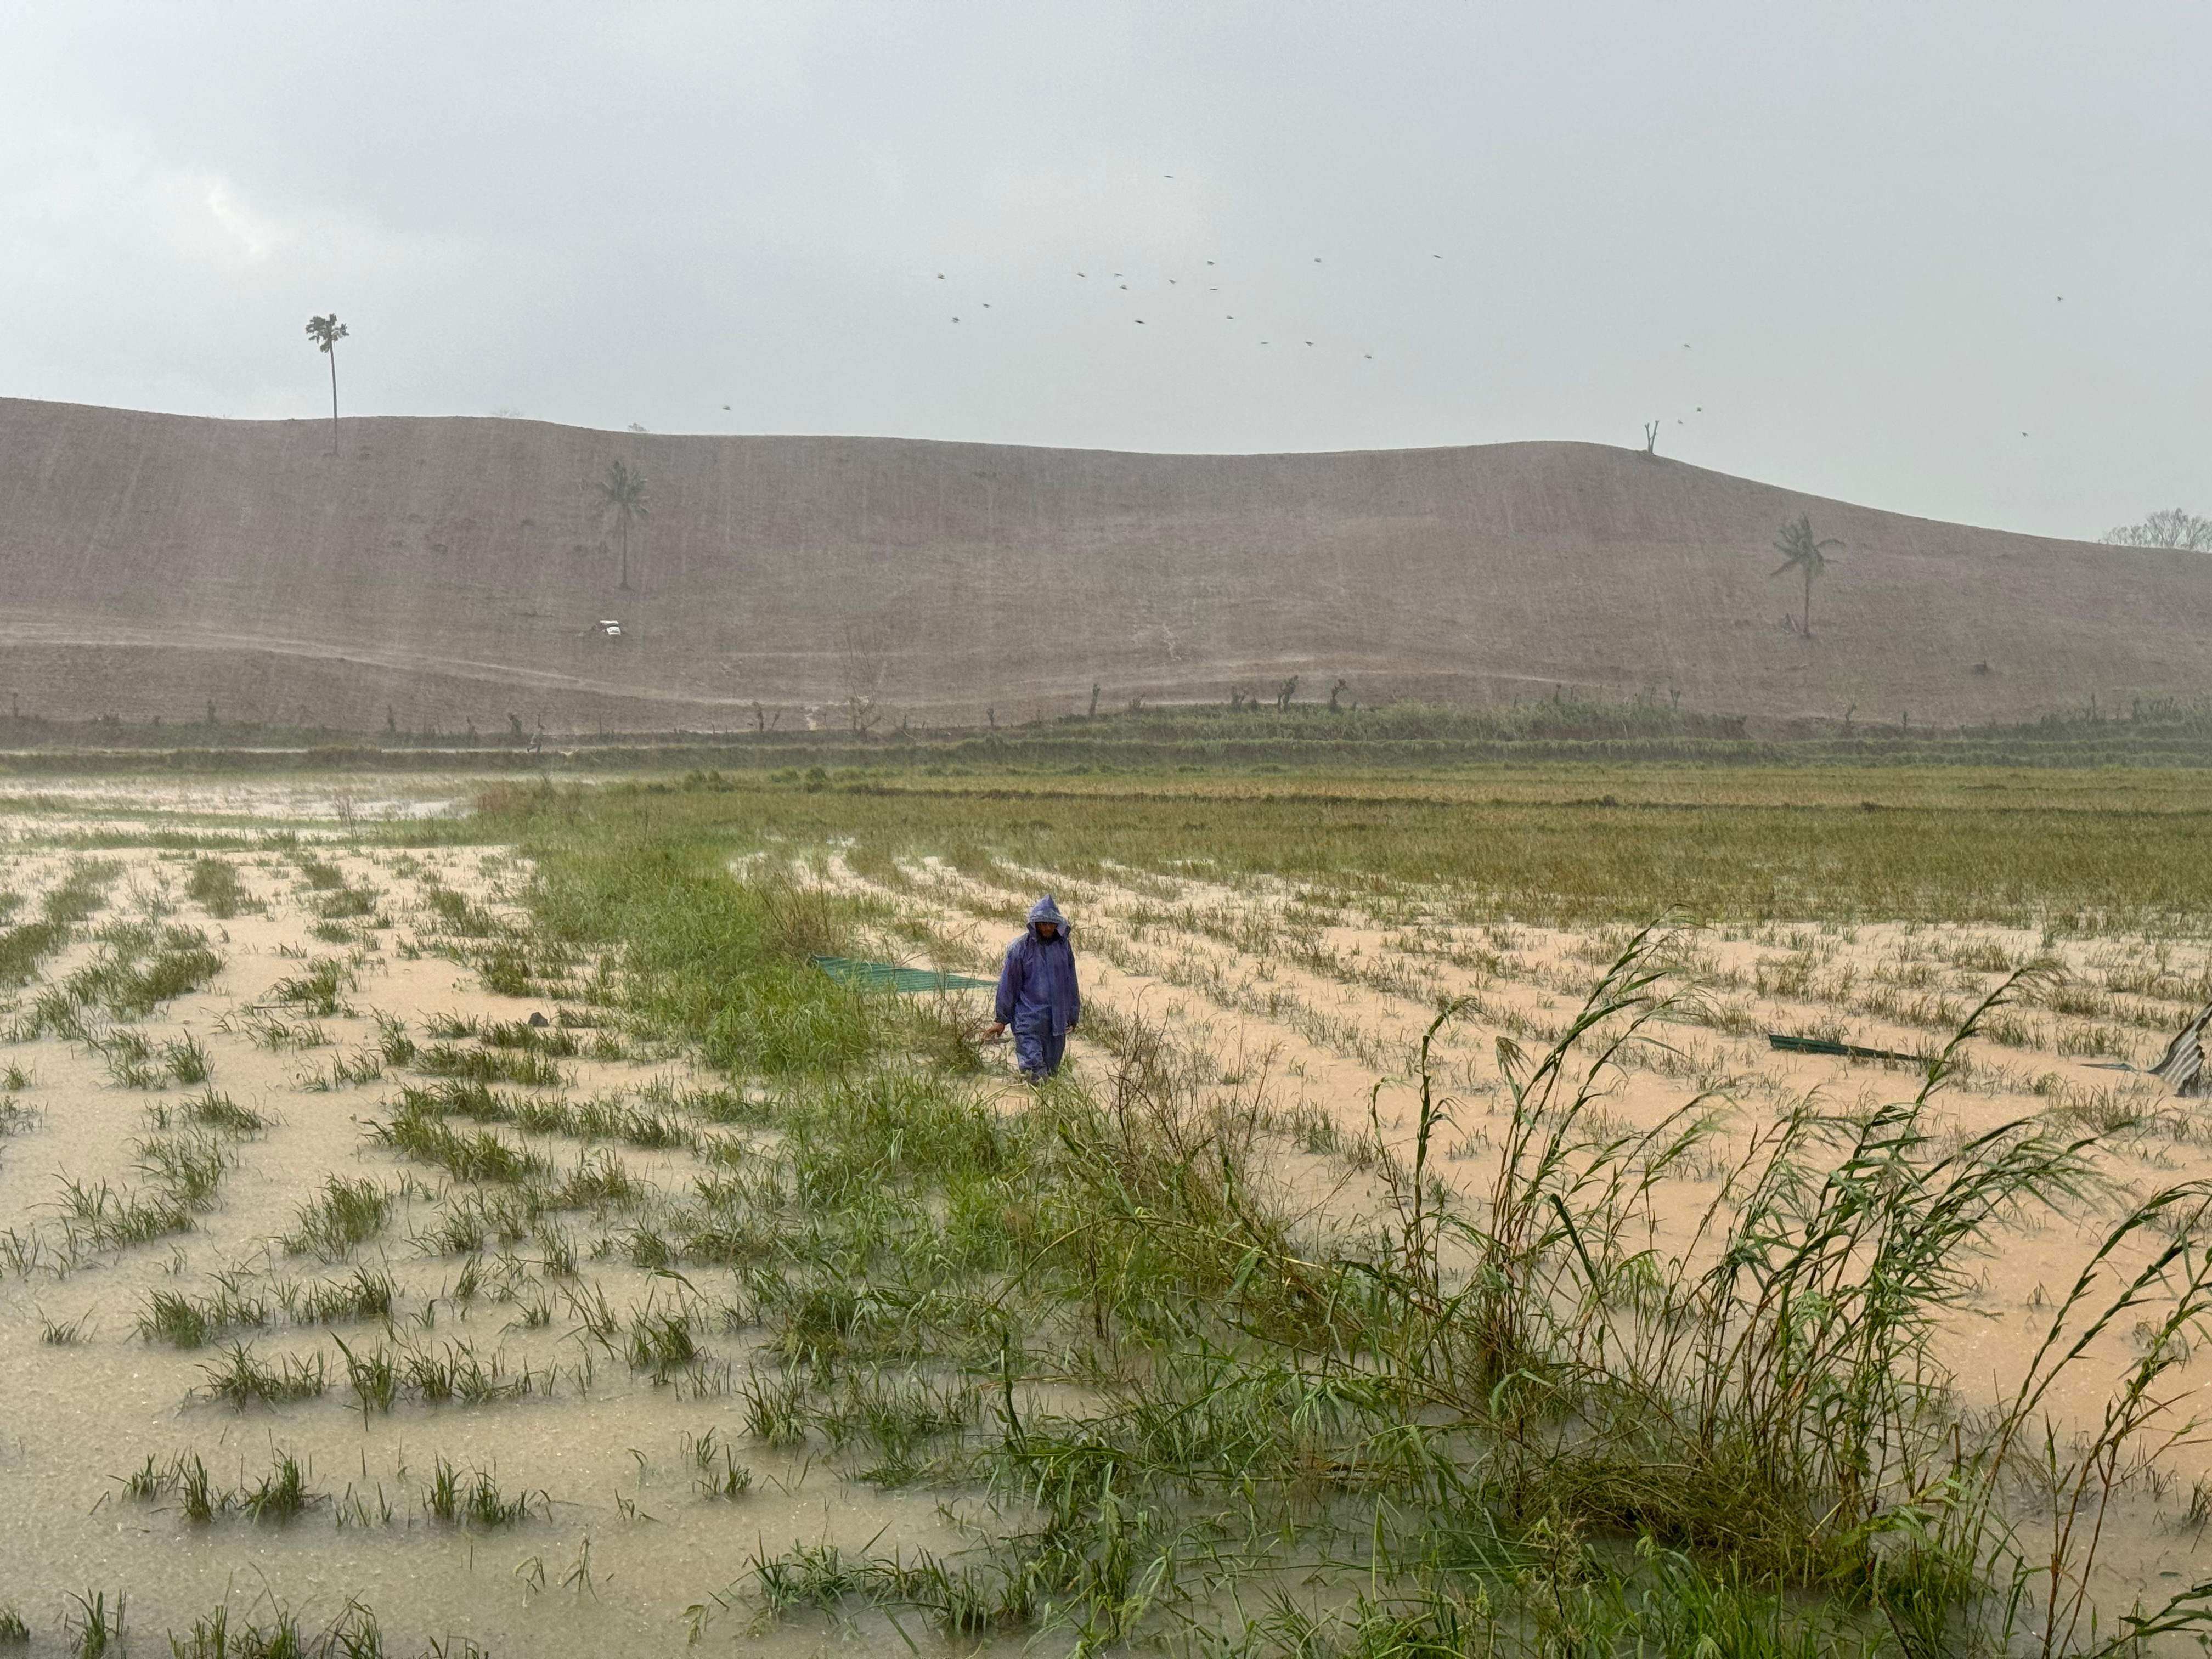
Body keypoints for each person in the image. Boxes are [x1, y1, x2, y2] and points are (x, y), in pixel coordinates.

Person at [989, 894, 1080, 1082]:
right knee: (1034, 1074)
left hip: (1056, 1022)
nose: (1047, 928)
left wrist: (1073, 1013)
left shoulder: (1063, 947)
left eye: (1051, 923)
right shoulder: (1020, 948)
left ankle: (1047, 1109)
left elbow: (1071, 982)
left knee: (1051, 1072)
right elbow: (1008, 985)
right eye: (1043, 923)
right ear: (1035, 924)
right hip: (1028, 1020)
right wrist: (1001, 1019)